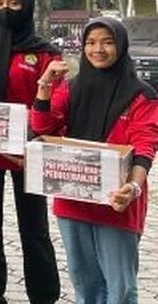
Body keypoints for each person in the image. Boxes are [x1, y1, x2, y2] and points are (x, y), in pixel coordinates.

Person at [30, 17, 158, 304]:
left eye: (108, 42)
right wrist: (44, 85)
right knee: (85, 286)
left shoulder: (141, 96)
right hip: (72, 200)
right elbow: (43, 127)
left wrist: (133, 187)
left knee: (120, 290)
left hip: (117, 202)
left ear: (121, 46)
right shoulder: (71, 88)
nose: (98, 49)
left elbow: (145, 146)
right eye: (90, 42)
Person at [0, 0, 61, 304]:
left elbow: (55, 103)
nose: (5, 9)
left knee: (34, 228)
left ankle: (44, 295)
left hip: (28, 152)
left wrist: (37, 139)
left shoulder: (45, 53)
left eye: (14, 3)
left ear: (27, 6)